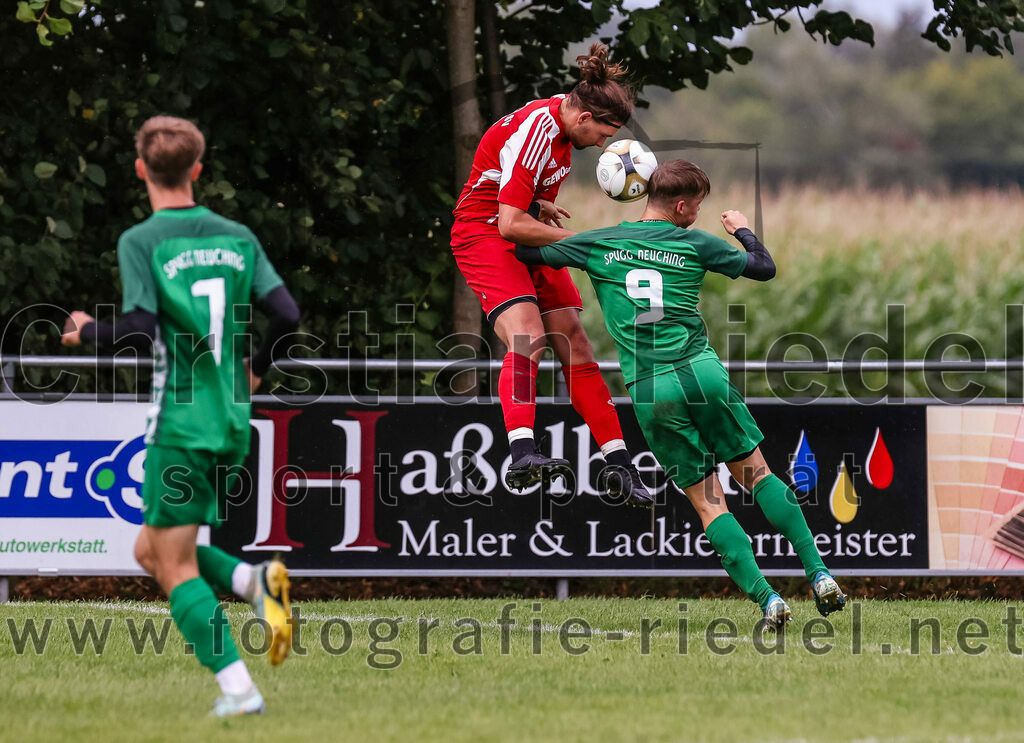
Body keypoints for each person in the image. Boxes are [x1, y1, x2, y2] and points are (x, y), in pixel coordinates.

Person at [515, 159, 846, 630]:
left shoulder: (602, 243)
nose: (698, 214)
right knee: (758, 474)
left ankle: (768, 600)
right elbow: (764, 268)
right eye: (698, 207)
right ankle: (819, 573)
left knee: (709, 501)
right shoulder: (694, 242)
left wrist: (535, 210)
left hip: (652, 388)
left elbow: (524, 253)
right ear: (683, 205)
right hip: (701, 373)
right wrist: (743, 231)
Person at [61, 116, 301, 714]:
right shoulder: (237, 235)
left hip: (181, 424)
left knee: (172, 565)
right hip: (230, 423)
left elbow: (139, 329)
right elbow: (288, 315)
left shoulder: (143, 240)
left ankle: (238, 689)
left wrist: (89, 331)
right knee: (151, 551)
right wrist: (256, 369)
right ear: (198, 170)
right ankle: (255, 582)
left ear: (141, 169)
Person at [451, 42, 653, 507]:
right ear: (583, 118)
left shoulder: (561, 131)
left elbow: (509, 180)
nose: (604, 142)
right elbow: (506, 223)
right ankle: (522, 453)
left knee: (574, 340)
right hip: (484, 235)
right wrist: (586, 244)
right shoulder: (539, 131)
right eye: (604, 132)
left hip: (523, 230)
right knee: (528, 334)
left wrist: (537, 201)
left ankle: (619, 465)